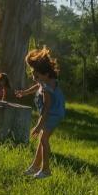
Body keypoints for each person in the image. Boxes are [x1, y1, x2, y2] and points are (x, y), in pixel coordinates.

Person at [15, 47, 65, 179]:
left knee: (43, 139)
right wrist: (25, 92)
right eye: (33, 74)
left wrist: (38, 126)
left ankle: (46, 170)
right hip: (54, 112)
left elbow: (46, 110)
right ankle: (35, 166)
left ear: (46, 74)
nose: (34, 77)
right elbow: (38, 85)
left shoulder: (47, 89)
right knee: (42, 139)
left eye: (37, 75)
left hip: (53, 114)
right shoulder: (45, 81)